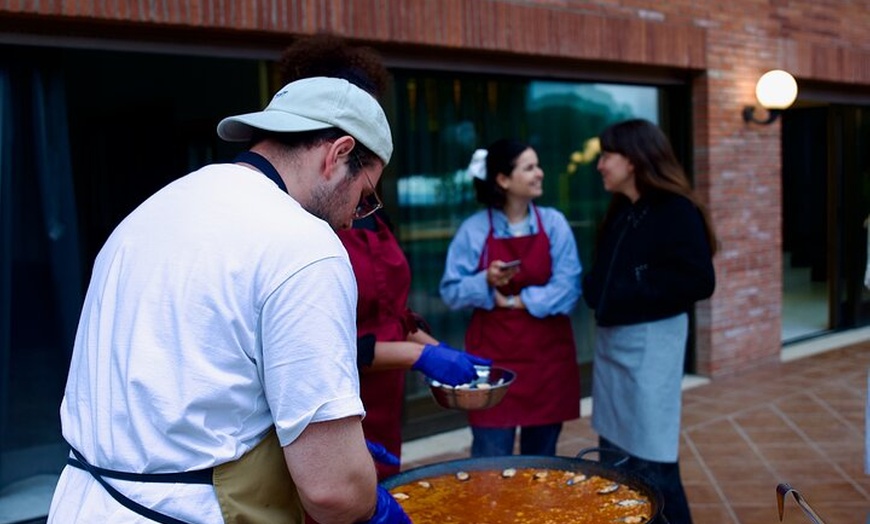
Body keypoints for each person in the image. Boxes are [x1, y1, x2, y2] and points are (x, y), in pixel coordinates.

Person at [47, 76, 410, 523]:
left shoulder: (150, 212)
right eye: (364, 197)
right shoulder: (303, 243)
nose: (354, 221)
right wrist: (371, 504)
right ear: (338, 154)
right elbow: (332, 491)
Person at [278, 34, 491, 480]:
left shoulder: (367, 209)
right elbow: (319, 349)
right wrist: (420, 359)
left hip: (383, 399)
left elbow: (389, 311)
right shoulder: (301, 224)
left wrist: (437, 350)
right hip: (330, 408)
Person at [581, 118, 717, 524]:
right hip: (614, 349)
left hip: (650, 351)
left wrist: (631, 287)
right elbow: (603, 272)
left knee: (654, 469)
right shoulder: (623, 210)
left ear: (635, 159)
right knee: (616, 462)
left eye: (607, 155)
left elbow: (698, 279)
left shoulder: (676, 210)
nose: (600, 164)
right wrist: (599, 289)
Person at [439, 139, 583, 457]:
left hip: (548, 366)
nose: (540, 174)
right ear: (503, 180)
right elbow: (451, 292)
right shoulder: (474, 230)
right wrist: (485, 281)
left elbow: (569, 289)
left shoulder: (555, 223)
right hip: (493, 368)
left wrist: (516, 302)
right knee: (490, 467)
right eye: (529, 167)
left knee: (543, 470)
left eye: (538, 166)